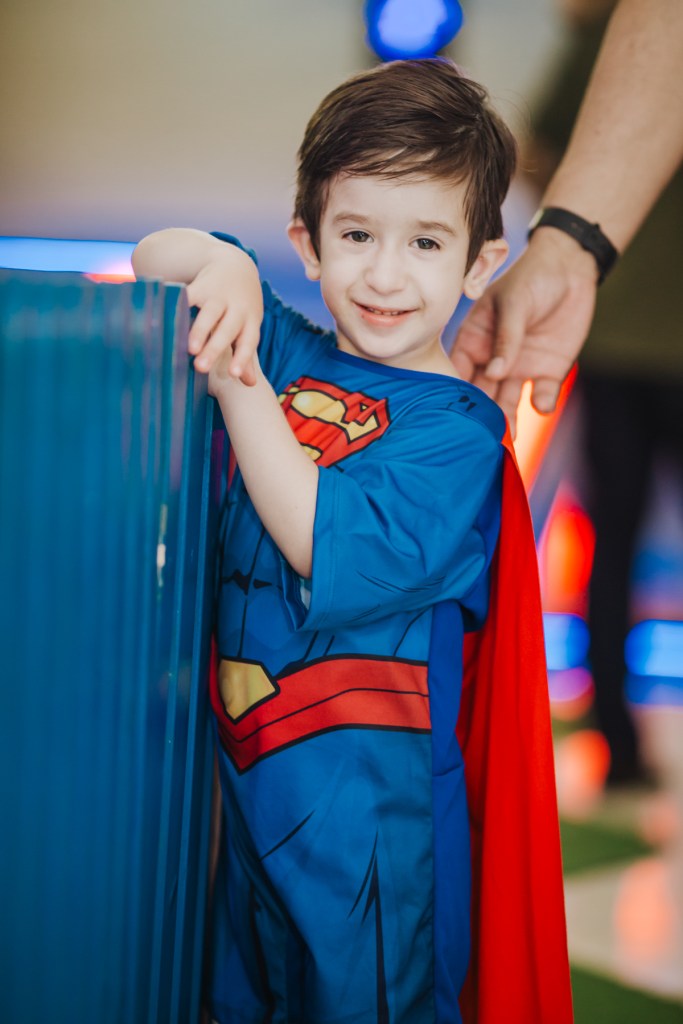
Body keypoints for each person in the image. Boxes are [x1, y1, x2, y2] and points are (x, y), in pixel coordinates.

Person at [133, 59, 572, 1024]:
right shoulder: (286, 349)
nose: (383, 274)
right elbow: (157, 257)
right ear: (308, 242)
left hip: (377, 829)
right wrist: (223, 266)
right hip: (252, 791)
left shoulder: (456, 436)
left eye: (425, 242)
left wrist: (237, 374)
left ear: (479, 264)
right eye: (357, 234)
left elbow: (313, 534)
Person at [526, 0, 683, 787]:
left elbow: (534, 150)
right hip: (617, 334)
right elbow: (533, 147)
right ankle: (615, 745)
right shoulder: (605, 33)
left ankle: (616, 747)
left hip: (616, 329)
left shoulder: (597, 35)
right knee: (610, 541)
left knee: (610, 542)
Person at [450, 0, 683, 432]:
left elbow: (539, 150)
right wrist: (564, 248)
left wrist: (563, 246)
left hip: (615, 319)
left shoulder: (595, 38)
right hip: (611, 319)